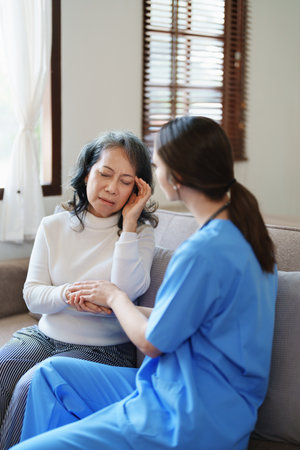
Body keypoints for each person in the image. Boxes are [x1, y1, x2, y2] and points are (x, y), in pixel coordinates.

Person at [12, 116, 277, 450]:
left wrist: (114, 296)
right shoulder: (251, 239)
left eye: (155, 160)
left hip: (186, 412)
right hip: (208, 400)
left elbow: (151, 343)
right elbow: (200, 321)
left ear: (174, 176)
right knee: (50, 375)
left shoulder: (202, 252)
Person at [0, 130, 158, 449]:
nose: (112, 188)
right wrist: (69, 294)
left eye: (126, 181)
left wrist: (128, 225)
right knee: (4, 367)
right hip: (45, 336)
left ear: (138, 189)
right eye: (105, 174)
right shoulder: (54, 226)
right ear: (88, 173)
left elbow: (125, 291)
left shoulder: (139, 235)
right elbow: (32, 294)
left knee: (31, 386)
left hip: (105, 349)